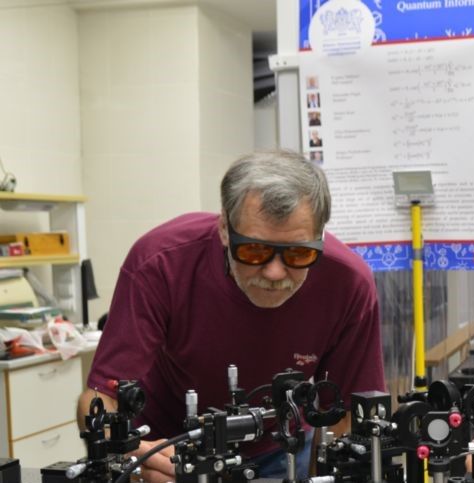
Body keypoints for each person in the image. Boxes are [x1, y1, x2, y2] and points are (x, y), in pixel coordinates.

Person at [78, 150, 385, 482]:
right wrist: (130, 459)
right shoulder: (161, 263)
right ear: (224, 228)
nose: (274, 272)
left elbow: (354, 416)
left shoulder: (348, 283)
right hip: (166, 447)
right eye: (254, 250)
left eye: (298, 253)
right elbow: (100, 399)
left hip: (278, 448)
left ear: (321, 236)